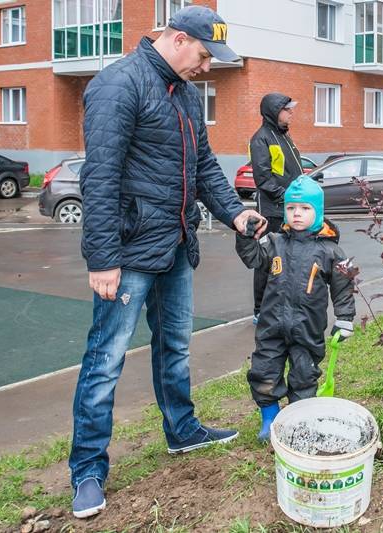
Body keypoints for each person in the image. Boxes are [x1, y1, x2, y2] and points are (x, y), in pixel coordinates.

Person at [70, 5, 265, 519]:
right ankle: (87, 469)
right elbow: (100, 177)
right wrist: (103, 258)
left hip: (175, 244)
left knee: (174, 345)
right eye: (203, 56)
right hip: (129, 252)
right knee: (105, 360)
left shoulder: (186, 94)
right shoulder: (119, 85)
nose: (207, 68)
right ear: (177, 40)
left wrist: (236, 215)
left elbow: (203, 167)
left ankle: (182, 430)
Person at [235, 176, 356, 443]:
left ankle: (299, 422)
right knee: (264, 372)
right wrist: (246, 236)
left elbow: (343, 286)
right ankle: (270, 420)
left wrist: (345, 318)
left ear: (318, 211)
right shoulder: (274, 242)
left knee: (304, 376)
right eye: (291, 208)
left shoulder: (331, 251)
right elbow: (252, 257)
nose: (297, 214)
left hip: (307, 329)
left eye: (304, 208)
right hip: (271, 327)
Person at [249, 93, 302, 324]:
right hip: (272, 211)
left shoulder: (285, 137)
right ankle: (260, 310)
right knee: (267, 261)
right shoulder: (261, 139)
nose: (291, 113)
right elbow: (264, 180)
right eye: (287, 109)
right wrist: (289, 198)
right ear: (274, 111)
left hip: (289, 209)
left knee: (289, 258)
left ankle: (284, 305)